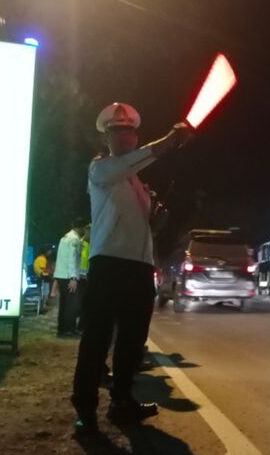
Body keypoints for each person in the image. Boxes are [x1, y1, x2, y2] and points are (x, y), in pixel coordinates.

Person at [71, 102, 192, 436]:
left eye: (129, 131)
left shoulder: (137, 183)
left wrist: (157, 218)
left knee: (132, 341)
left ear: (136, 136)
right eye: (117, 132)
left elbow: (144, 227)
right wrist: (167, 142)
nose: (125, 137)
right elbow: (127, 165)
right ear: (107, 138)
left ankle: (122, 402)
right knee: (96, 338)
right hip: (109, 264)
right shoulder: (101, 169)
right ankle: (84, 408)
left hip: (139, 268)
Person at [54, 218, 87, 337]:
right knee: (71, 305)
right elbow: (73, 259)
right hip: (69, 276)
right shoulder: (74, 240)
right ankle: (69, 329)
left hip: (61, 275)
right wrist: (73, 278)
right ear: (80, 228)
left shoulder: (65, 237)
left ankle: (62, 329)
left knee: (64, 304)